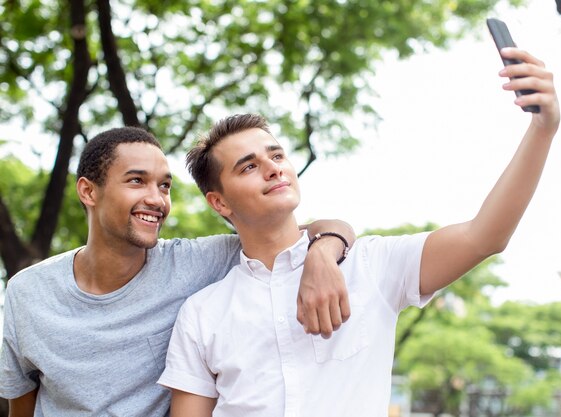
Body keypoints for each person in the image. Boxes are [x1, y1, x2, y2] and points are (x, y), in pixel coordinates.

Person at [157, 46, 560, 417]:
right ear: (220, 202)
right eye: (248, 166)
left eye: (277, 154)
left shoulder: (371, 264)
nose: (273, 167)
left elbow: (485, 236)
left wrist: (542, 130)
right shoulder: (202, 313)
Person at [0, 126, 355, 417]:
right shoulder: (27, 292)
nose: (157, 199)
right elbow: (22, 403)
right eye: (137, 181)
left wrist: (323, 252)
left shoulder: (196, 263)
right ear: (88, 192)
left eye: (164, 185)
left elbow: (304, 231)